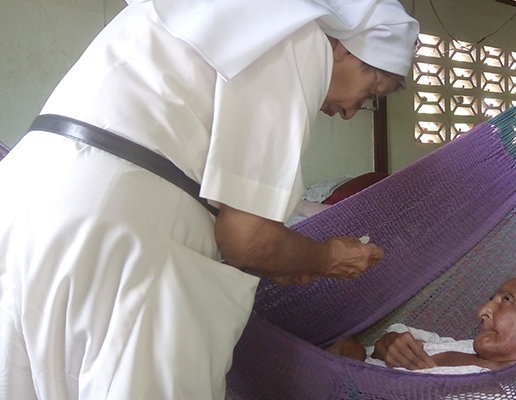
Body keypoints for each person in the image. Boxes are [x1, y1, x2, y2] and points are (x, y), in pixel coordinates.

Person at [0, 0, 419, 399]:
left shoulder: (223, 14)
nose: (350, 113)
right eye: (370, 93)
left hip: (22, 201)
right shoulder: (299, 39)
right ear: (345, 48)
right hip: (115, 228)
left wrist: (289, 258)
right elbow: (247, 238)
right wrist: (325, 257)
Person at [327, 269, 516, 374]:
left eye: (507, 300)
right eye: (490, 299)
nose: (482, 310)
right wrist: (388, 344)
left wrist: (354, 360)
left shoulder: (499, 393)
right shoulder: (466, 348)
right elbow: (398, 332)